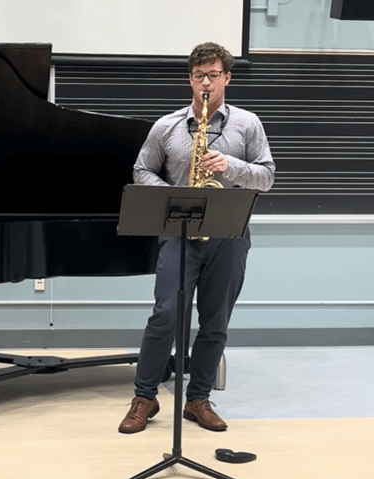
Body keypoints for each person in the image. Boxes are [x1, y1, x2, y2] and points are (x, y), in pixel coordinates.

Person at [118, 42, 275, 434]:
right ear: (190, 79)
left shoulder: (247, 124)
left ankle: (198, 399)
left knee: (215, 321)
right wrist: (171, 192)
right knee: (165, 315)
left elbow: (267, 176)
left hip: (230, 235)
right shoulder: (167, 126)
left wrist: (232, 165)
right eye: (199, 76)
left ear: (227, 78)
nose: (206, 83)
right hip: (179, 234)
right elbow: (142, 170)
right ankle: (145, 396)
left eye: (214, 75)